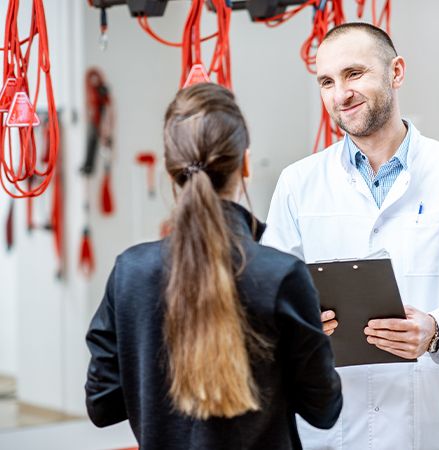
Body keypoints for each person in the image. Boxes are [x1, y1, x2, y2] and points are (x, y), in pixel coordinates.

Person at [262, 23, 439, 449]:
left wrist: (437, 329)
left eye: (354, 74)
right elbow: (270, 300)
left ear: (396, 72)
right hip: (332, 423)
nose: (340, 94)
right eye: (326, 82)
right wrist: (301, 321)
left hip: (430, 422)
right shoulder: (298, 183)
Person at [85, 83, 343, 450]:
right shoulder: (281, 275)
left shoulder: (130, 272)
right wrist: (310, 342)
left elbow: (102, 405)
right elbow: (324, 410)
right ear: (245, 164)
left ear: (171, 168)